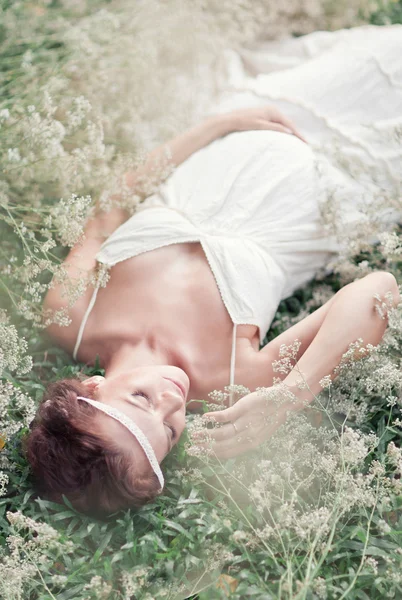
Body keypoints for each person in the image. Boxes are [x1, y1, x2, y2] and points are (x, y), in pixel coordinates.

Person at [24, 24, 402, 518]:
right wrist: (289, 396)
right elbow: (378, 291)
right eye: (171, 429)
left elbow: (108, 211)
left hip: (257, 123)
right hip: (341, 177)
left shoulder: (71, 313)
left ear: (90, 388)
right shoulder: (230, 381)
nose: (171, 401)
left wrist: (220, 125)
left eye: (141, 399)